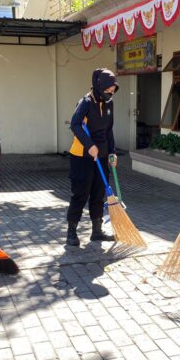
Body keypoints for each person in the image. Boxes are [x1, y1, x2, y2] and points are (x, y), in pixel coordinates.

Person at [66, 68, 119, 246]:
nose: (110, 93)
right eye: (108, 90)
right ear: (99, 86)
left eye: (113, 91)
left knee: (98, 193)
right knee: (80, 193)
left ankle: (97, 231)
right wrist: (90, 146)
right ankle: (71, 232)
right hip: (82, 155)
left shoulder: (109, 104)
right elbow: (75, 125)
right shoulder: (86, 102)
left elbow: (108, 130)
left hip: (101, 156)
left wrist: (112, 152)